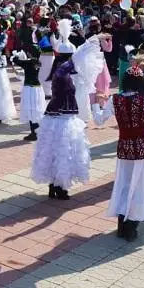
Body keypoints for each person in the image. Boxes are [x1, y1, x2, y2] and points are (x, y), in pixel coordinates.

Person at [93, 54, 144, 241]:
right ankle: (131, 225)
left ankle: (123, 223)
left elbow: (99, 120)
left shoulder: (115, 99)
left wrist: (97, 102)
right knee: (140, 186)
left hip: (125, 149)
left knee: (125, 185)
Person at [32, 36, 104, 200]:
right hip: (62, 119)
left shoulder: (62, 70)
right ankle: (59, 187)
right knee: (63, 152)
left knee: (54, 151)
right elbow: (79, 56)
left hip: (57, 117)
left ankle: (55, 186)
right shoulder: (63, 69)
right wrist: (94, 39)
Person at [13, 47, 45, 140]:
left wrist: (16, 55)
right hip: (38, 89)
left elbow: (16, 60)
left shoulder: (28, 63)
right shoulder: (38, 62)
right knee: (36, 110)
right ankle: (37, 131)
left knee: (31, 110)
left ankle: (34, 133)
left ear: (30, 53)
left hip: (29, 89)